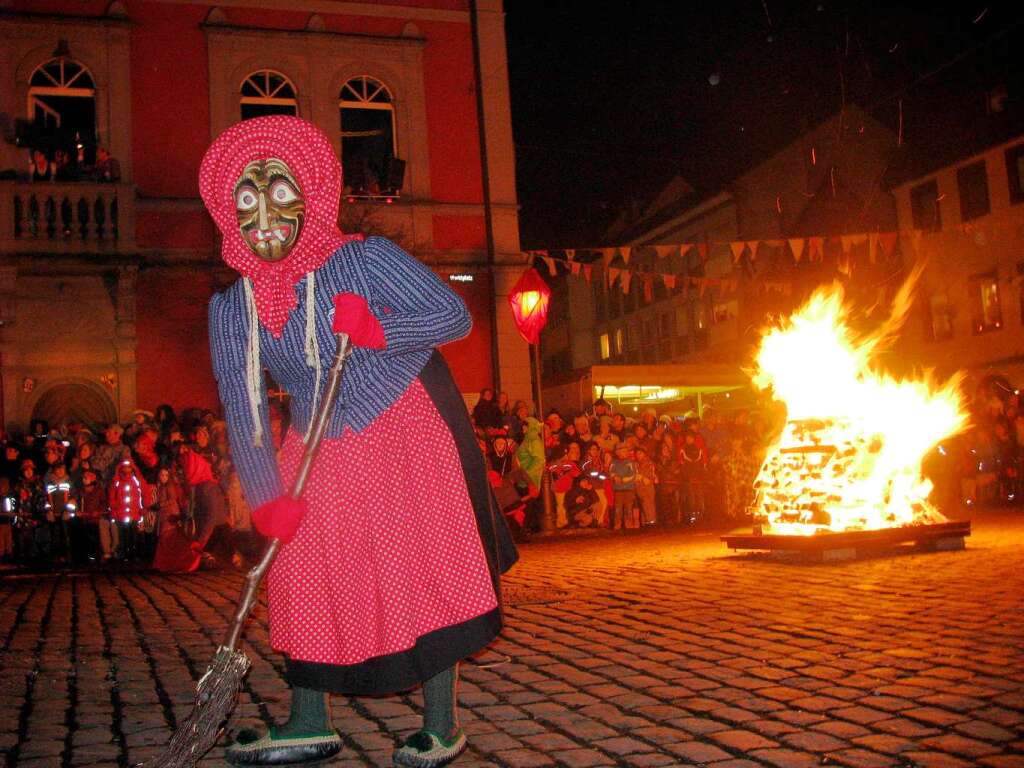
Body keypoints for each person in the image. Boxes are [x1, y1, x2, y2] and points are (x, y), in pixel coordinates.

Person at [200, 115, 516, 767]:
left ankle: (440, 724)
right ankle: (308, 720)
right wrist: (265, 497)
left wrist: (379, 329)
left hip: (401, 421)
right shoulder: (233, 307)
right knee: (303, 570)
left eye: (280, 192)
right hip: (320, 440)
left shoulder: (363, 259)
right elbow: (246, 407)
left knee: (420, 566)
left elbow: (449, 316)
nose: (266, 216)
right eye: (247, 199)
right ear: (228, 213)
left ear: (310, 196)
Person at [609, 444, 637, 531]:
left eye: (625, 451)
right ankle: (617, 524)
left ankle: (628, 523)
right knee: (618, 508)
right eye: (621, 451)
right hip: (618, 489)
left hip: (629, 488)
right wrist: (614, 477)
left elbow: (633, 474)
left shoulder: (630, 462)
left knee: (628, 507)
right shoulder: (614, 462)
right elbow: (611, 472)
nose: (623, 453)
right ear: (617, 453)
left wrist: (624, 479)